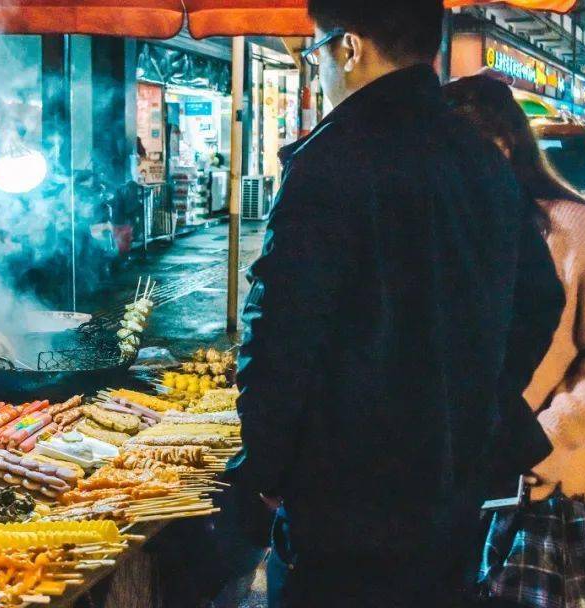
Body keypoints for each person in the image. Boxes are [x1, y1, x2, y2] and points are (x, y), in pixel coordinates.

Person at [228, 1, 563, 606]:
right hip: (452, 493)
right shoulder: (481, 160)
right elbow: (540, 301)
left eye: (316, 51)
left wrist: (262, 471)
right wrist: (474, 399)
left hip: (342, 501)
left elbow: (281, 335)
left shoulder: (330, 161)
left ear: (348, 47)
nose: (317, 69)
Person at [443, 75, 585, 507]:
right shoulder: (448, 228)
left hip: (552, 486)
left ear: (505, 146)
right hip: (464, 479)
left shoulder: (572, 227)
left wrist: (548, 438)